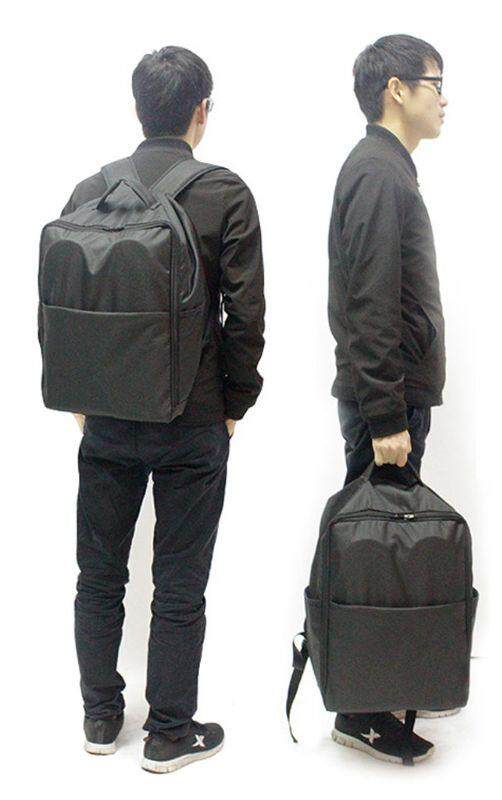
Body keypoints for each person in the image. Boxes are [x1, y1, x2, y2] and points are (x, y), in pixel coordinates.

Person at [61, 46, 265, 772]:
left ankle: (100, 716)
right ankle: (170, 732)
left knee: (99, 575)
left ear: (137, 107)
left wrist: (82, 397)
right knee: (179, 584)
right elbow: (247, 317)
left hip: (106, 418)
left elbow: (62, 306)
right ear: (201, 111)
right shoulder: (225, 193)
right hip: (193, 420)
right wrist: (234, 402)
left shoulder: (91, 190)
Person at [326, 34, 449, 763]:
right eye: (436, 82)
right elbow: (369, 304)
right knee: (372, 556)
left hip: (392, 398)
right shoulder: (377, 172)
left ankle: (376, 691)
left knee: (382, 550)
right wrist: (386, 418)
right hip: (386, 405)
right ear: (396, 89)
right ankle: (360, 711)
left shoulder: (387, 168)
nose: (444, 98)